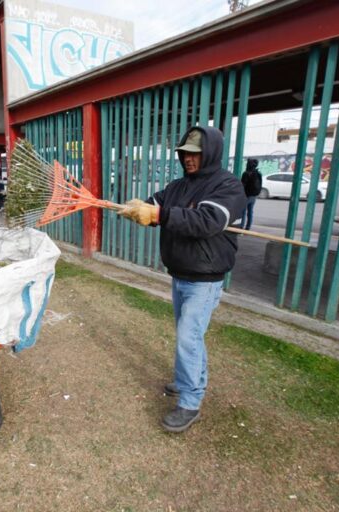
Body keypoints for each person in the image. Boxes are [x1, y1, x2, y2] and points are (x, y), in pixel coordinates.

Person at [118, 126, 246, 433]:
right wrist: (137, 209)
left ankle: (190, 401)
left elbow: (207, 221)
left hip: (205, 278)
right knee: (189, 335)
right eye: (185, 153)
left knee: (189, 336)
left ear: (211, 152)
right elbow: (156, 204)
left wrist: (159, 215)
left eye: (195, 153)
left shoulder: (228, 186)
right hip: (180, 273)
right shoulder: (178, 186)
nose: (188, 159)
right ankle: (187, 380)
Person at [239, 158, 262, 230]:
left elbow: (242, 186)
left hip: (246, 196)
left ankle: (241, 227)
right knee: (250, 211)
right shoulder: (258, 173)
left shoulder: (246, 173)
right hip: (254, 196)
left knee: (243, 212)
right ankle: (248, 227)